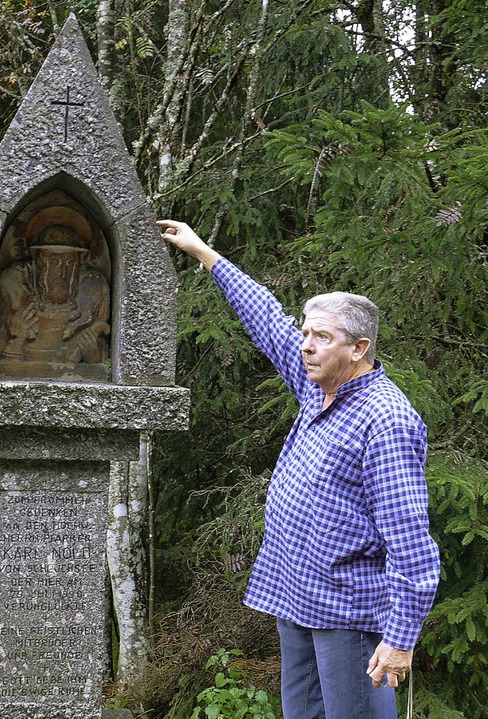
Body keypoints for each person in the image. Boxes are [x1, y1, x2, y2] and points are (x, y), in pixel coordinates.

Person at [156, 219, 440, 719]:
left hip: (348, 612)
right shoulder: (318, 384)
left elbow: (411, 541)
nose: (306, 345)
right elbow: (267, 318)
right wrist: (205, 254)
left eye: (321, 337)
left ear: (358, 349)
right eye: (306, 333)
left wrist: (399, 639)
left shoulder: (386, 420)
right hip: (297, 596)